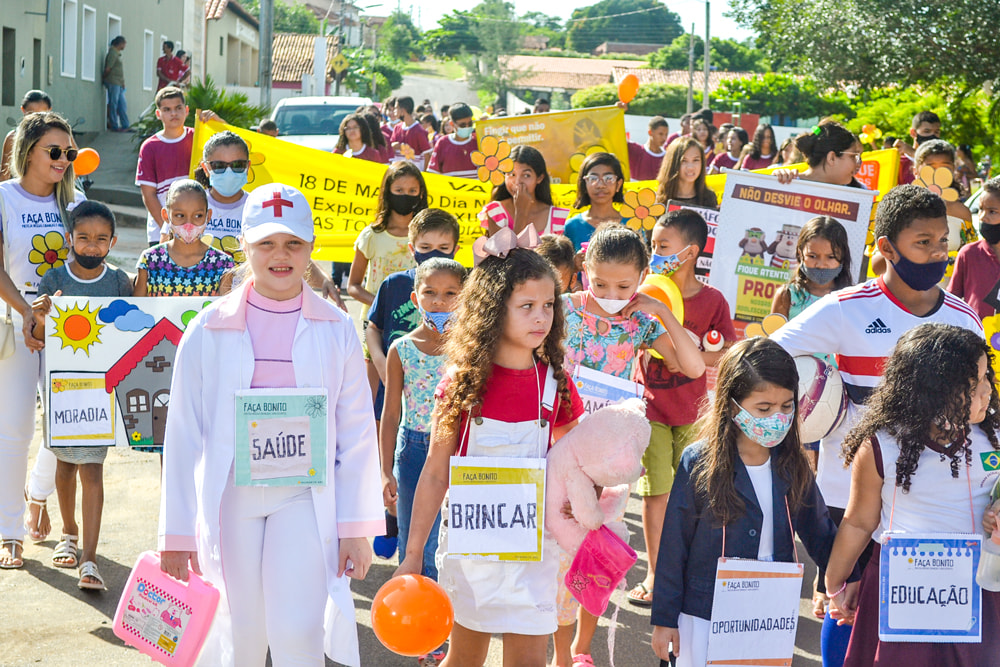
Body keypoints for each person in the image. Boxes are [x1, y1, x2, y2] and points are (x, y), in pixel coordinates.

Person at [158, 183, 384, 665]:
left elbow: (358, 431)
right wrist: (175, 533)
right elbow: (182, 434)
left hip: (302, 497)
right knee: (241, 630)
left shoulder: (337, 328)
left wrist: (355, 526)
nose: (280, 256)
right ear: (244, 245)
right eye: (266, 243)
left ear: (311, 249)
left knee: (298, 629)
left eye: (293, 244)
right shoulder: (207, 329)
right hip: (231, 498)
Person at [770, 184, 984, 667]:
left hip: (930, 500)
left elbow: (982, 412)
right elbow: (764, 359)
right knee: (842, 605)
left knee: (915, 622)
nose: (937, 254)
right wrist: (796, 416)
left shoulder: (963, 320)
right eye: (922, 242)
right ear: (885, 248)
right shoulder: (847, 307)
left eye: (943, 243)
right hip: (846, 492)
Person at [395, 248, 584, 666]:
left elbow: (576, 465)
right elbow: (433, 475)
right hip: (471, 551)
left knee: (529, 661)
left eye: (549, 305)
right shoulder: (461, 385)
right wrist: (412, 553)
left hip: (533, 551)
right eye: (527, 306)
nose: (541, 317)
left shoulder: (557, 384)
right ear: (493, 310)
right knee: (464, 660)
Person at [555, 224, 704, 667]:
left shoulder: (641, 323)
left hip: (612, 463)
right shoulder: (562, 310)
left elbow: (694, 368)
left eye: (624, 285)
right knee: (562, 551)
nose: (611, 293)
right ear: (584, 271)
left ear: (641, 277)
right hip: (561, 446)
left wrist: (664, 312)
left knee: (596, 549)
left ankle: (583, 650)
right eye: (600, 283)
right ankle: (561, 655)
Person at [650, 337, 844, 667]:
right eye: (764, 409)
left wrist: (844, 582)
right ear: (731, 404)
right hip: (703, 612)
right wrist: (665, 619)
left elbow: (821, 532)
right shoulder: (698, 461)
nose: (777, 418)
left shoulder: (793, 464)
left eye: (786, 406)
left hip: (768, 610)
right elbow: (674, 545)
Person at [824, 323, 1000, 666]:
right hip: (900, 590)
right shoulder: (883, 445)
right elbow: (859, 522)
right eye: (973, 384)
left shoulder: (992, 438)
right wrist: (835, 582)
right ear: (931, 392)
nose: (987, 390)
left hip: (977, 590)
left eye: (986, 378)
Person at [628, 210, 736, 608]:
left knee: (695, 496)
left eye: (662, 247)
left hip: (694, 411)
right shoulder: (642, 292)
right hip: (648, 407)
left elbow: (724, 353)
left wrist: (690, 355)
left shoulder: (713, 300)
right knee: (655, 493)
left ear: (690, 252)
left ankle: (694, 573)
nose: (654, 254)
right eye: (652, 246)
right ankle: (656, 575)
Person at [28, 201, 131, 589]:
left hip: (99, 393)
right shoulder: (54, 279)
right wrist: (39, 321)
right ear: (70, 238)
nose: (91, 246)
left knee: (92, 468)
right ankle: (68, 533)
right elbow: (38, 339)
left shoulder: (119, 281)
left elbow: (130, 331)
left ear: (112, 242)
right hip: (61, 391)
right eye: (83, 238)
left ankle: (89, 557)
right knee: (65, 464)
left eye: (100, 239)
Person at [0, 112, 85, 569]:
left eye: (69, 153)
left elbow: (89, 262)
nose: (63, 160)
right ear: (28, 150)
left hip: (70, 329)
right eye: (55, 151)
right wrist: (27, 312)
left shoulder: (75, 201)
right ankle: (9, 531)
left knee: (66, 425)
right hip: (15, 327)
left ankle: (38, 492)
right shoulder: (3, 198)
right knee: (14, 429)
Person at [379, 257, 466, 584]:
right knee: (413, 544)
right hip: (413, 452)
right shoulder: (401, 349)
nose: (439, 301)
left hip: (458, 450)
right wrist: (385, 470)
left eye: (450, 293)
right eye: (430, 292)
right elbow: (390, 414)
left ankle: (444, 621)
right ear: (416, 298)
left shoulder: (468, 350)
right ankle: (414, 624)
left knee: (448, 542)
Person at [193, 131, 342, 304]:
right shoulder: (188, 207)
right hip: (197, 302)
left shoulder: (261, 206)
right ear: (206, 168)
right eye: (219, 165)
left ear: (248, 167)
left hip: (252, 304)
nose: (229, 172)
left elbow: (288, 250)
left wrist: (324, 280)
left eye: (237, 165)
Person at [366, 209, 460, 429]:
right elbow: (372, 327)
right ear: (412, 249)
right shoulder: (393, 284)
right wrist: (382, 363)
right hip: (394, 384)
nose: (434, 253)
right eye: (425, 247)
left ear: (455, 250)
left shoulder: (463, 285)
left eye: (443, 248)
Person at [133, 179, 234, 302]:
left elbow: (225, 312)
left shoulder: (223, 264)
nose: (188, 224)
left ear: (208, 216)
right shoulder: (150, 259)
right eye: (180, 215)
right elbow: (137, 308)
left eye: (198, 216)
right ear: (166, 216)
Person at [135, 87, 193, 247]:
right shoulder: (149, 147)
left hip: (196, 230)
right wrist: (167, 229)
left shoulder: (198, 138)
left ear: (186, 110)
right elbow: (149, 195)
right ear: (158, 114)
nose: (173, 113)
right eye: (167, 109)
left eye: (178, 108)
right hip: (160, 231)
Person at [478, 145, 569, 241]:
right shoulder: (495, 212)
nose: (517, 182)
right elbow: (506, 254)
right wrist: (521, 213)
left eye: (526, 175)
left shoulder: (556, 217)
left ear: (539, 178)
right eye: (511, 174)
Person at [949, 176, 1000, 319]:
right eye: (980, 209)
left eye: (992, 212)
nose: (983, 217)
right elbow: (953, 300)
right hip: (976, 337)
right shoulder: (969, 254)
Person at [563, 153, 626, 251]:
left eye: (608, 178)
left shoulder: (632, 223)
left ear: (618, 184)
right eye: (593, 179)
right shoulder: (571, 227)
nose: (600, 185)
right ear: (584, 183)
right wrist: (575, 263)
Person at [2, 90, 52, 181]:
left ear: (49, 110)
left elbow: (74, 164)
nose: (36, 119)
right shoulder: (13, 138)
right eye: (31, 114)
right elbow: (4, 175)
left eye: (41, 114)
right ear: (23, 110)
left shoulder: (59, 136)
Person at [655, 137, 718, 209]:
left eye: (696, 160)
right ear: (672, 163)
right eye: (684, 161)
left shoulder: (709, 198)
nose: (690, 167)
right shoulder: (659, 201)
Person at [426, 102, 477, 178]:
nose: (467, 127)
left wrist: (486, 125)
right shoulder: (443, 143)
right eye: (462, 125)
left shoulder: (478, 141)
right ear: (452, 124)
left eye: (470, 124)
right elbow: (433, 174)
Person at [894, 110, 941, 186]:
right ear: (913, 133)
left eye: (936, 132)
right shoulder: (899, 162)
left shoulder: (943, 160)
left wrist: (914, 154)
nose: (933, 136)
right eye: (927, 131)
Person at [391, 96, 432, 169]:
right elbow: (391, 148)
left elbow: (427, 155)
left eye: (396, 108)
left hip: (414, 173)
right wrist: (394, 146)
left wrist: (425, 174)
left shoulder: (419, 131)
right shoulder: (397, 128)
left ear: (403, 110)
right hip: (399, 172)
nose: (394, 111)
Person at [627, 116, 669, 181]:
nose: (664, 138)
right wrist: (618, 109)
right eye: (660, 134)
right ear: (650, 132)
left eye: (666, 134)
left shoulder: (668, 157)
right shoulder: (635, 150)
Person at [102, 36, 129, 132]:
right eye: (124, 43)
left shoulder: (117, 54)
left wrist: (122, 82)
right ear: (120, 43)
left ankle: (125, 125)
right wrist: (104, 77)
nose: (125, 45)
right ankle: (114, 125)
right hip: (113, 82)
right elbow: (108, 68)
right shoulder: (113, 53)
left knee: (122, 104)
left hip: (119, 82)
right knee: (114, 103)